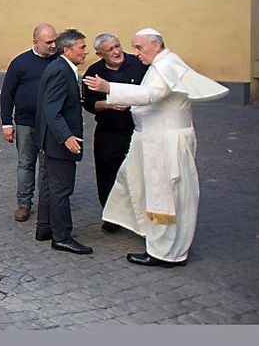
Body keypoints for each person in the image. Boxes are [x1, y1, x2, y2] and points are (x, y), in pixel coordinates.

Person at [83, 28, 227, 267]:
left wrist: (109, 88)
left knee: (165, 195)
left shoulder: (165, 65)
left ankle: (165, 252)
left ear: (156, 45)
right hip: (152, 139)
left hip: (163, 143)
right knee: (131, 180)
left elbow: (152, 94)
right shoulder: (161, 63)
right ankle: (150, 234)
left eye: (139, 47)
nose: (134, 53)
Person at [80, 33, 149, 232]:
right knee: (107, 173)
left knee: (138, 172)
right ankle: (111, 215)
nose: (117, 51)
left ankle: (140, 216)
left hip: (137, 128)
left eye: (117, 46)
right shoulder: (94, 72)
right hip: (108, 130)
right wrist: (107, 105)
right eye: (110, 49)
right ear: (99, 54)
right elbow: (90, 103)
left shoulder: (139, 65)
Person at [34, 28, 92, 254]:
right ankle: (62, 236)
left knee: (50, 186)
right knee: (61, 189)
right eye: (82, 47)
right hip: (59, 141)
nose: (86, 52)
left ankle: (45, 227)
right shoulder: (61, 71)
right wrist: (66, 137)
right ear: (67, 50)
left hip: (52, 140)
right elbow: (51, 110)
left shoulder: (61, 68)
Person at [0, 23, 58, 222]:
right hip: (25, 123)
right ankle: (24, 204)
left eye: (54, 41)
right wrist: (6, 123)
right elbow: (7, 93)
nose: (53, 45)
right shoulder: (20, 63)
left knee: (48, 166)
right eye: (48, 42)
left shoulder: (58, 61)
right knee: (26, 164)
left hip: (51, 124)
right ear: (35, 42)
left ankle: (46, 204)